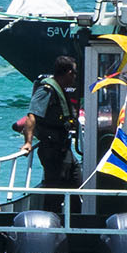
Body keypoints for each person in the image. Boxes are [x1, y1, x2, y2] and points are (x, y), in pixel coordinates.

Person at [22, 55, 81, 189]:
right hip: (52, 151)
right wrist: (28, 143)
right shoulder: (46, 90)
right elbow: (32, 116)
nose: (75, 77)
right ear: (69, 73)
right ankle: (50, 210)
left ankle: (74, 209)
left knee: (76, 180)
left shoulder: (59, 89)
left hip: (64, 149)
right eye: (75, 73)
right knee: (54, 191)